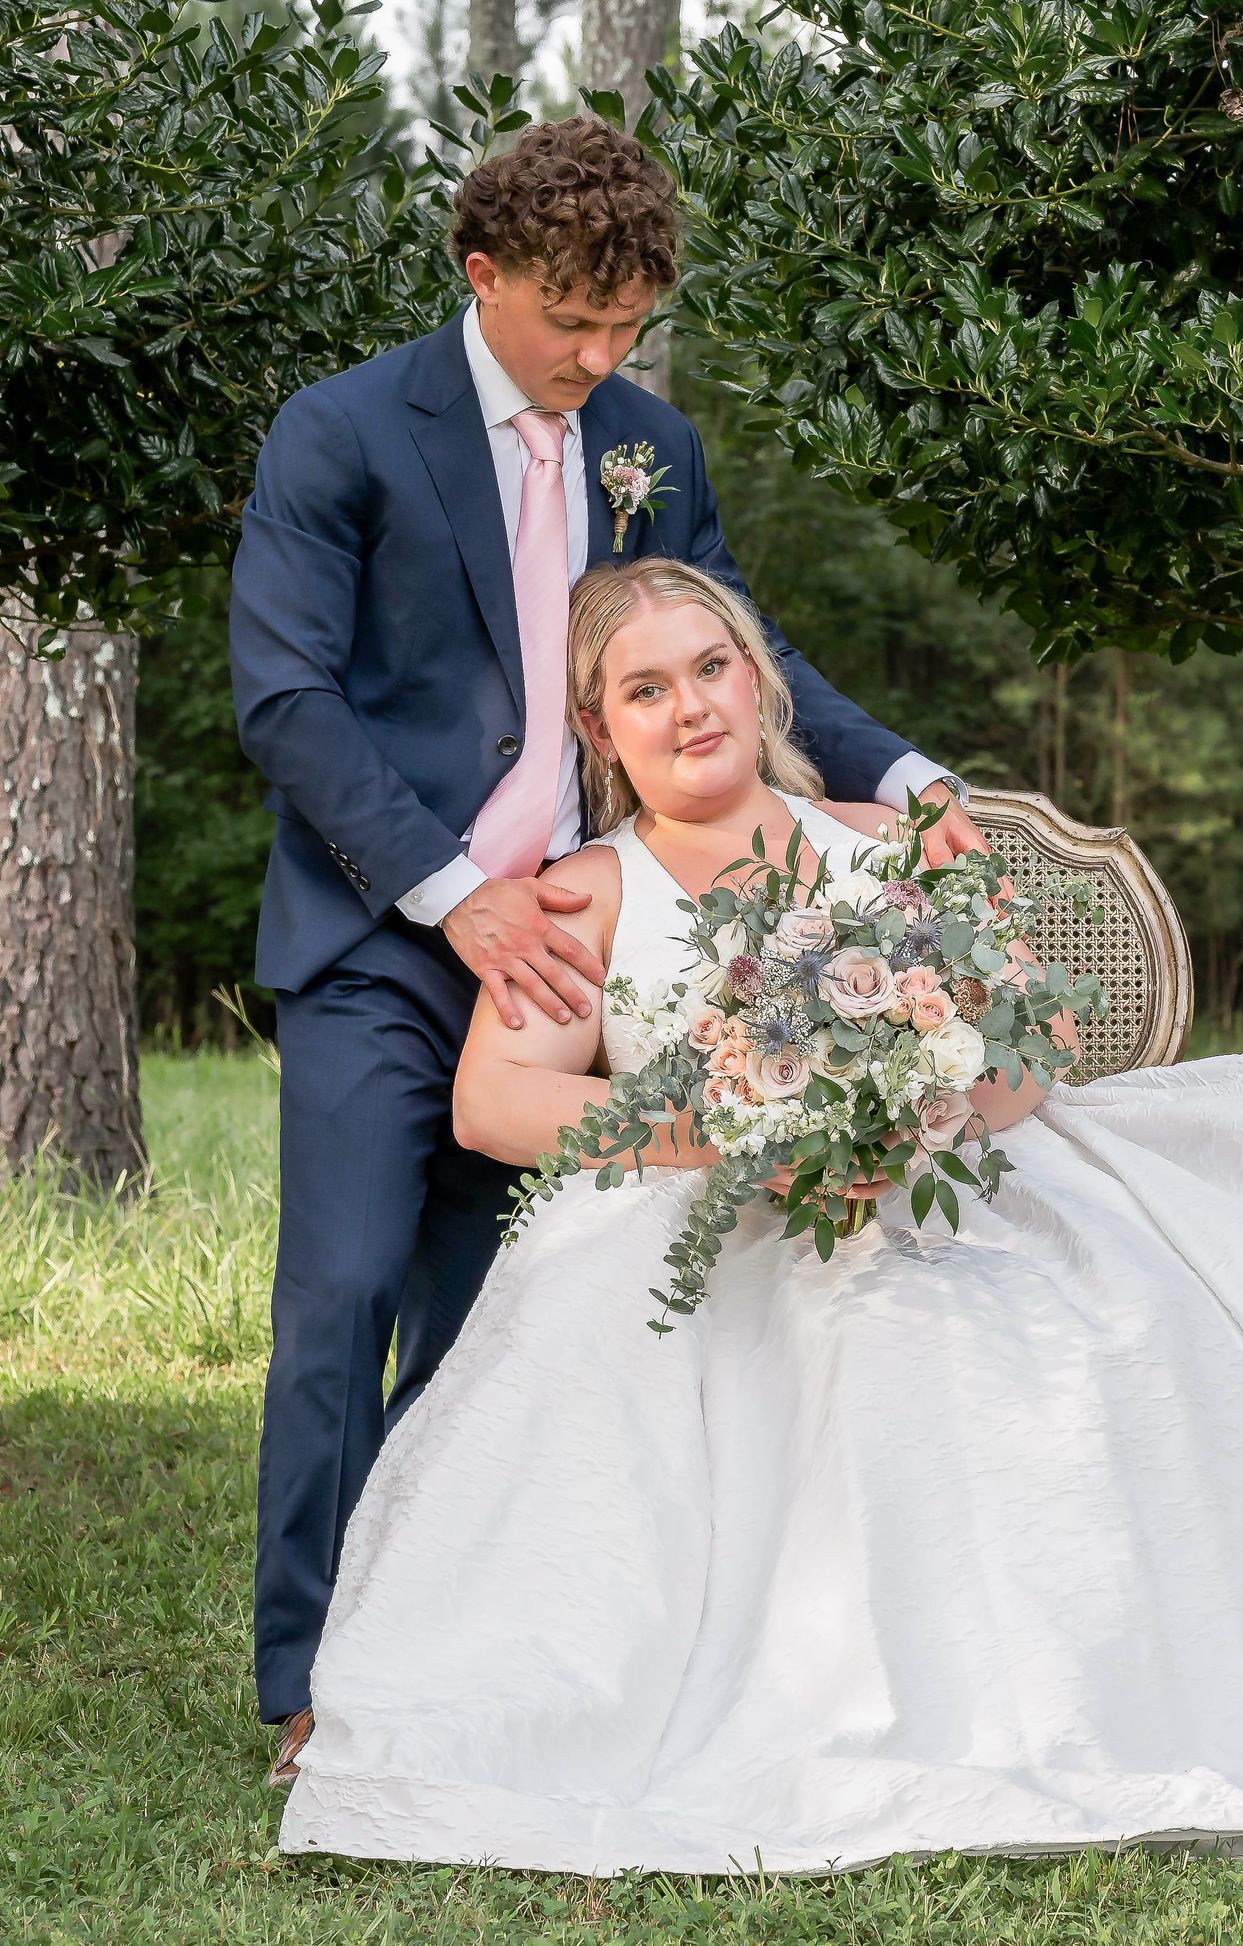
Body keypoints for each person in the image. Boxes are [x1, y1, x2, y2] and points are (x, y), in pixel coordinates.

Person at [276, 557, 1243, 1876]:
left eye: (712, 669)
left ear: (758, 682)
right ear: (598, 727)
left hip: (946, 1185)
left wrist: (931, 1098)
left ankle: (1171, 1670)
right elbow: (495, 1103)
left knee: (1176, 1265)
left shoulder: (889, 849)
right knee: (843, 1347)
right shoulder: (585, 892)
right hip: (717, 1222)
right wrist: (727, 1126)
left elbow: (1031, 1045)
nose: (689, 707)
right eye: (644, 688)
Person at [228, 117, 981, 1787]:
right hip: (385, 934)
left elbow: (744, 654)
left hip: (585, 948)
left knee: (491, 1316)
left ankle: (440, 1646)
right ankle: (308, 1683)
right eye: (573, 320)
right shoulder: (342, 432)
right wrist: (450, 891)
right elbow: (285, 698)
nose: (599, 356)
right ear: (481, 273)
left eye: (630, 323)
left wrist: (921, 781)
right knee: (346, 1293)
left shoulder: (650, 441)